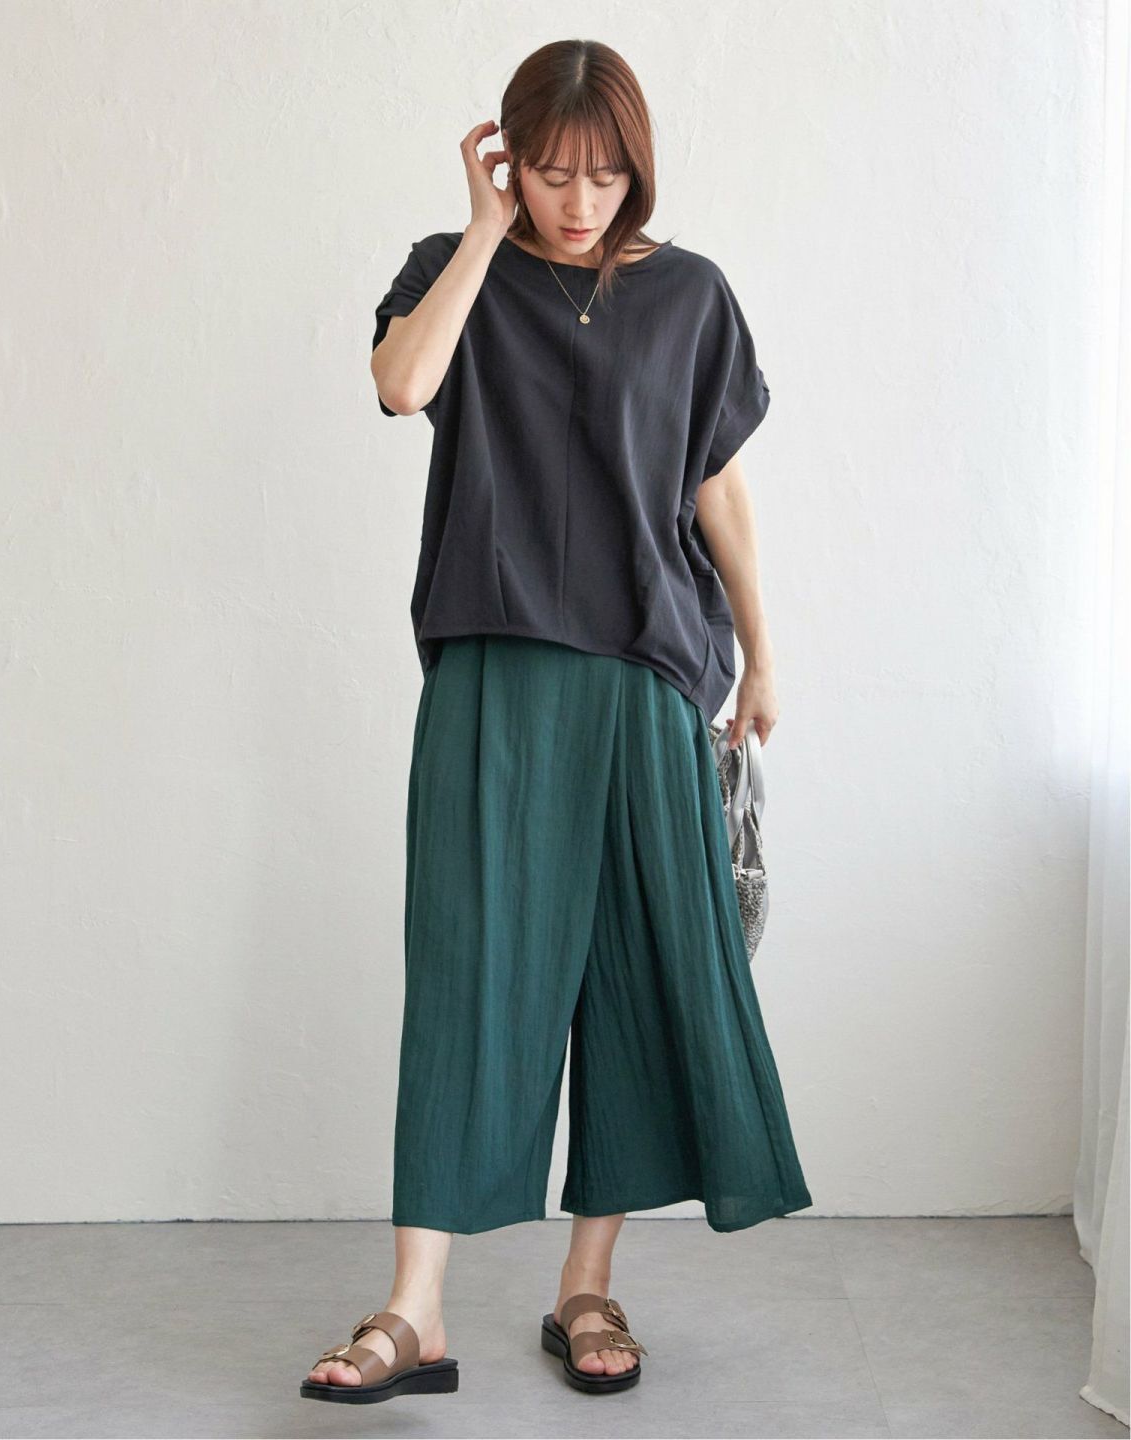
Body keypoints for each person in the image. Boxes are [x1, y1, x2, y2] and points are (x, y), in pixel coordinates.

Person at [301, 38, 812, 1406]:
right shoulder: (451, 268)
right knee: (468, 971)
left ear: (639, 170)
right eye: (549, 171)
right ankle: (415, 1311)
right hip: (496, 667)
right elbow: (402, 384)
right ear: (505, 159)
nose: (579, 201)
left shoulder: (691, 296)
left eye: (605, 175)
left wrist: (763, 655)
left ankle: (587, 1284)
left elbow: (717, 488)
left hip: (651, 672)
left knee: (633, 977)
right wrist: (483, 231)